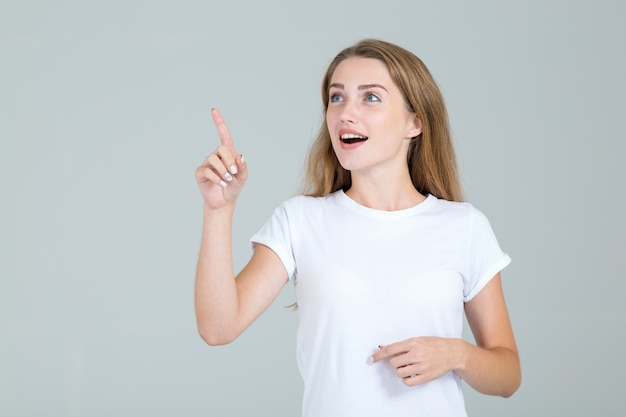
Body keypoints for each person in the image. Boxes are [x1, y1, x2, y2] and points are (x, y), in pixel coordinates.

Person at [194, 38, 521, 417]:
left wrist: (457, 354)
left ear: (415, 122)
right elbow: (218, 328)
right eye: (336, 98)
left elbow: (508, 375)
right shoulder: (300, 220)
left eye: (370, 98)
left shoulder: (464, 226)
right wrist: (219, 210)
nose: (346, 113)